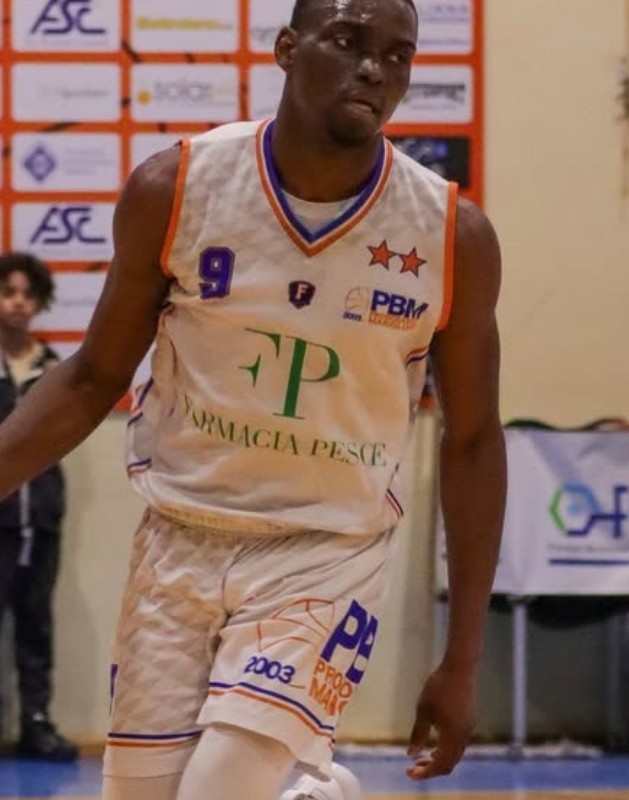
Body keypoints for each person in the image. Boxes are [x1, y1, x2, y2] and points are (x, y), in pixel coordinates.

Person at [0, 0, 506, 797]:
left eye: (396, 54)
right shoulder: (178, 186)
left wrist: (462, 658)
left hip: (326, 545)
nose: (373, 69)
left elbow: (472, 439)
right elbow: (93, 377)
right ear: (286, 48)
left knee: (219, 788)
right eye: (347, 41)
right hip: (179, 537)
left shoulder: (450, 235)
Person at [0, 252, 78, 762]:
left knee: (36, 625)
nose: (18, 303)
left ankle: (36, 723)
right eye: (8, 292)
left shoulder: (53, 368)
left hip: (42, 521)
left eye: (28, 294)